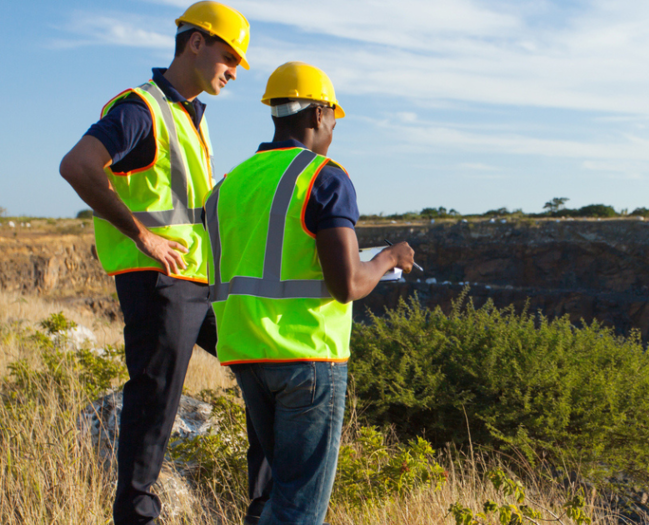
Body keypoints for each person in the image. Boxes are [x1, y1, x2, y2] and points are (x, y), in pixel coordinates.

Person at [58, 2, 271, 523]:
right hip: (159, 280)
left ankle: (267, 506)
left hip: (201, 280)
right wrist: (142, 236)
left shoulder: (189, 118)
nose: (234, 70)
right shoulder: (141, 108)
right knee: (156, 401)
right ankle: (137, 514)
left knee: (266, 368)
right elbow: (77, 166)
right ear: (195, 43)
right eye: (229, 56)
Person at [203, 61, 415, 524]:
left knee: (280, 497)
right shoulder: (324, 177)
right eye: (334, 118)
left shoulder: (228, 186)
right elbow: (349, 285)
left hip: (246, 355)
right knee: (299, 510)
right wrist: (389, 259)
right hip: (307, 358)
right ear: (319, 114)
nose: (334, 129)